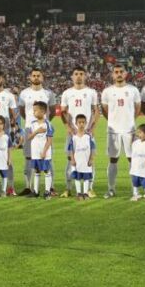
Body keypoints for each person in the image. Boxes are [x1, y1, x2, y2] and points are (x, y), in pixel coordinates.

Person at [100, 65, 140, 199]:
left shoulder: (133, 90)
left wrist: (130, 120)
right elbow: (104, 110)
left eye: (121, 72)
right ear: (112, 74)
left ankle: (135, 191)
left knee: (132, 160)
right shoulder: (107, 91)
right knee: (113, 160)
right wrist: (113, 121)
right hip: (113, 131)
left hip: (130, 130)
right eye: (116, 72)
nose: (119, 74)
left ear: (126, 74)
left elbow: (138, 108)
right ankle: (111, 189)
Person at [59, 67, 99, 195]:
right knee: (70, 159)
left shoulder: (91, 92)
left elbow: (96, 111)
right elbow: (63, 112)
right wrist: (68, 127)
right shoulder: (67, 93)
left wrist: (92, 128)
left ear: (85, 76)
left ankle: (90, 188)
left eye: (81, 74)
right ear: (72, 76)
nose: (79, 76)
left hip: (87, 132)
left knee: (90, 158)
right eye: (76, 74)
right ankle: (68, 188)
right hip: (73, 133)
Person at [18, 69, 54, 196]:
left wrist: (43, 123)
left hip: (44, 129)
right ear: (30, 77)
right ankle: (28, 187)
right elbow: (22, 111)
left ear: (42, 77)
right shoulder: (24, 93)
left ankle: (51, 188)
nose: (36, 77)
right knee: (28, 158)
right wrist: (31, 123)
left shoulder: (48, 93)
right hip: (30, 128)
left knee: (47, 157)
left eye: (38, 75)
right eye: (34, 75)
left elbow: (52, 111)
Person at [25, 100, 54, 198]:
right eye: (33, 110)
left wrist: (44, 152)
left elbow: (49, 140)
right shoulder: (33, 124)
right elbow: (29, 137)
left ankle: (47, 192)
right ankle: (36, 192)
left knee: (46, 171)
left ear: (42, 111)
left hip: (44, 152)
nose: (33, 112)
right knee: (37, 170)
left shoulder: (48, 124)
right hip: (35, 152)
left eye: (35, 110)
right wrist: (36, 131)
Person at [68, 114, 95, 200]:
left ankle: (85, 193)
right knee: (77, 177)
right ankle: (79, 193)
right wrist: (72, 159)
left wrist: (91, 159)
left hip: (86, 161)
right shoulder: (74, 137)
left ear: (86, 123)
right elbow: (71, 149)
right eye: (79, 122)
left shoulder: (88, 137)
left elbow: (93, 149)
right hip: (77, 161)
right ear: (76, 123)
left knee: (86, 178)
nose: (81, 124)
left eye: (83, 122)